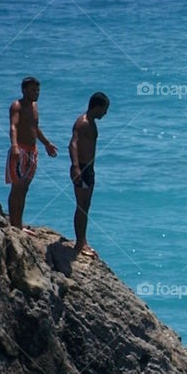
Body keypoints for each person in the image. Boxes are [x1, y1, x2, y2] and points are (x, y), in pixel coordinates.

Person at [6, 77, 58, 232]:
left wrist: (47, 144)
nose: (36, 93)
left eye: (38, 90)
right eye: (33, 90)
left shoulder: (35, 107)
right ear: (24, 90)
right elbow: (13, 126)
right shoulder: (17, 106)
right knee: (16, 188)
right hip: (19, 150)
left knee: (24, 188)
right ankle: (13, 224)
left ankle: (19, 223)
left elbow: (34, 128)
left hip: (32, 152)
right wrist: (14, 146)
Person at [68, 92, 109, 258]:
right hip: (82, 168)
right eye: (104, 109)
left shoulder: (92, 123)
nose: (105, 113)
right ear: (96, 107)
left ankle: (83, 240)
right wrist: (76, 167)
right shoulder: (83, 123)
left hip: (89, 169)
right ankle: (80, 243)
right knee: (81, 205)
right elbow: (72, 144)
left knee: (86, 205)